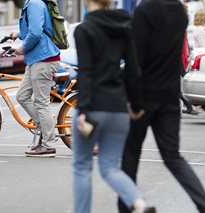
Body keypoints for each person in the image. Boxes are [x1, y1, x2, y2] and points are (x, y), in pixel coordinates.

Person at [118, 0, 205, 213]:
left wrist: (133, 101)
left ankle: (128, 208)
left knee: (130, 157)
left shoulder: (145, 8)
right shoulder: (179, 11)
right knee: (173, 157)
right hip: (170, 94)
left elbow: (136, 58)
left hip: (144, 95)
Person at [72, 0, 155, 212]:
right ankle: (139, 203)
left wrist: (83, 109)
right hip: (118, 109)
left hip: (93, 107)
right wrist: (135, 105)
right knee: (110, 167)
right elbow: (134, 70)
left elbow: (86, 72)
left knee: (82, 166)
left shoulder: (84, 30)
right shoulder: (124, 28)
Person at [10, 0, 60, 157]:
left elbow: (36, 33)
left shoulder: (34, 3)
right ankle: (45, 125)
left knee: (41, 103)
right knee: (22, 96)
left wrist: (22, 48)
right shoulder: (32, 3)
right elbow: (35, 28)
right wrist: (18, 35)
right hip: (36, 59)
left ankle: (48, 144)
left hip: (43, 59)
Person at [181, 4, 198, 115]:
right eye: (187, 12)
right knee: (184, 80)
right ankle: (188, 105)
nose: (188, 14)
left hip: (183, 57)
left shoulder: (183, 26)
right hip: (180, 58)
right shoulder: (181, 24)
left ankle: (189, 105)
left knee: (184, 80)